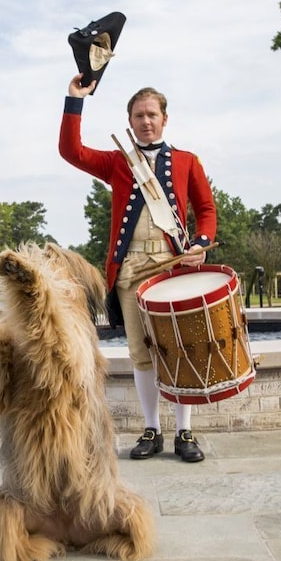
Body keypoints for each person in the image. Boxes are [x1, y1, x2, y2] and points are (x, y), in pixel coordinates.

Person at [59, 73, 216, 463]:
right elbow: (71, 151)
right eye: (138, 115)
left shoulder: (186, 161)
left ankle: (184, 431)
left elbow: (207, 212)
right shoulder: (118, 162)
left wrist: (200, 244)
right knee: (140, 353)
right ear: (130, 121)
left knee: (180, 349)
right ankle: (153, 429)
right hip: (131, 270)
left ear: (165, 119)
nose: (146, 121)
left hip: (172, 266)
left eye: (152, 114)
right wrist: (74, 99)